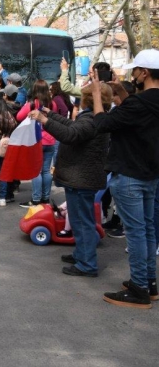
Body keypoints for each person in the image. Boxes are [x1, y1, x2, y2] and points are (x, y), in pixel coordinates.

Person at [92, 49, 159, 308]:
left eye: (136, 70)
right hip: (151, 175)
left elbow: (101, 124)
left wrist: (98, 95)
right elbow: (135, 113)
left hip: (129, 176)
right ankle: (149, 284)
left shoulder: (137, 105)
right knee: (148, 230)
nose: (133, 74)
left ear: (143, 73)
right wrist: (121, 91)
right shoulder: (143, 103)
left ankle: (139, 289)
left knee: (137, 234)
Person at [29, 83, 112, 277]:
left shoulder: (91, 119)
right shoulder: (93, 118)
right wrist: (51, 115)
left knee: (83, 222)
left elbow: (70, 134)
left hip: (82, 179)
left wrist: (44, 120)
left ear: (87, 99)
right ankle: (81, 254)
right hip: (81, 179)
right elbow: (73, 126)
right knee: (78, 219)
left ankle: (87, 264)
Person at [15, 80, 58, 207]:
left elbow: (18, 117)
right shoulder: (52, 103)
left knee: (36, 171)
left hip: (36, 140)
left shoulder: (32, 104)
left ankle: (36, 199)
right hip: (50, 140)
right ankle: (45, 199)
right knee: (46, 171)